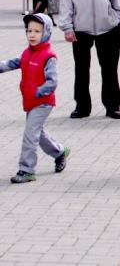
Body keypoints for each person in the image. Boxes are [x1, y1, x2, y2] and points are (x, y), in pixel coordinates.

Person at [0, 13, 70, 184]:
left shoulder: (48, 56)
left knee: (30, 134)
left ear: (45, 33)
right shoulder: (27, 52)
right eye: (29, 31)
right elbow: (15, 62)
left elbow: (52, 82)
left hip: (43, 102)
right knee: (38, 134)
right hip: (30, 101)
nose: (32, 34)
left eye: (37, 31)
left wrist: (39, 91)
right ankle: (59, 152)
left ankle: (26, 170)